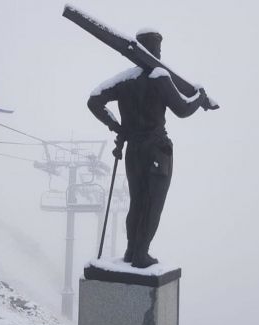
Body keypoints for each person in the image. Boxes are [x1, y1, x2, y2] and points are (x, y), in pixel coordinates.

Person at [88, 30, 207, 268]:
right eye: (158, 50)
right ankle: (141, 255)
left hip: (133, 150)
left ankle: (132, 251)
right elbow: (182, 109)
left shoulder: (125, 80)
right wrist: (199, 98)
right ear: (153, 51)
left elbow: (94, 101)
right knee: (152, 204)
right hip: (157, 150)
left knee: (137, 201)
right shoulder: (159, 77)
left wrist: (117, 126)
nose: (159, 55)